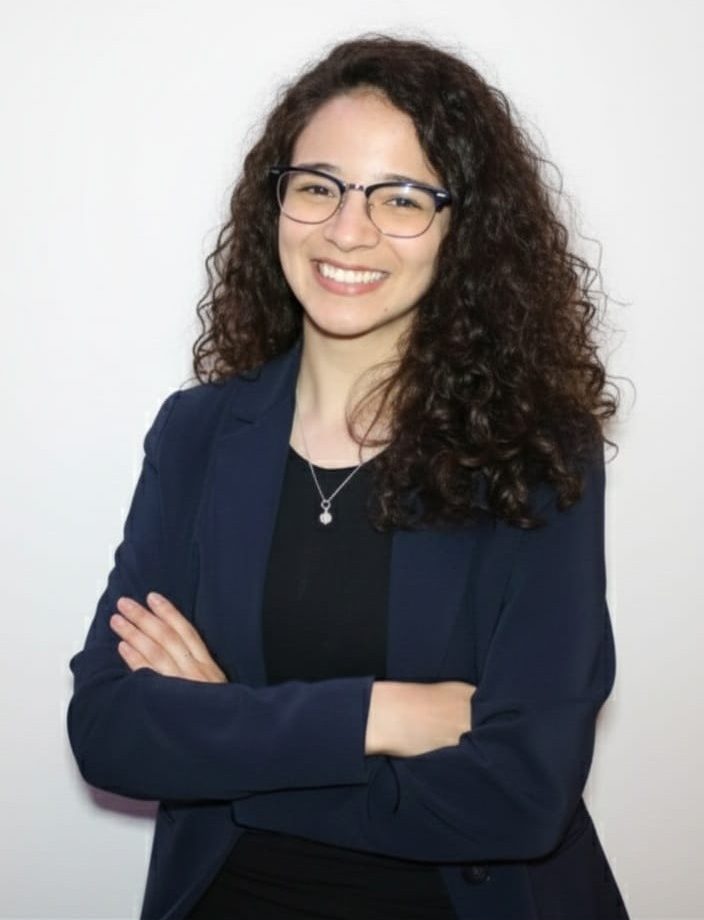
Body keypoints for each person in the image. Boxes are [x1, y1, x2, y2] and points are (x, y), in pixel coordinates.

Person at [67, 35, 629, 920]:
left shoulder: (534, 453)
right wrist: (383, 715)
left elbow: (523, 791)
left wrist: (228, 734)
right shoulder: (198, 434)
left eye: (400, 198)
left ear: (463, 229)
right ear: (277, 202)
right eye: (318, 186)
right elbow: (109, 731)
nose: (348, 229)